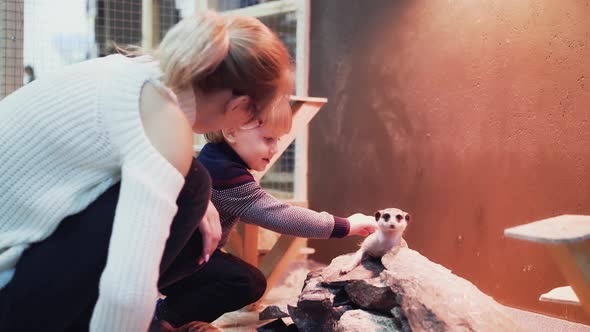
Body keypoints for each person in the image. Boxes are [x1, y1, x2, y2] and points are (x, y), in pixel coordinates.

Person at [0, 10, 292, 332]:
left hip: (20, 249)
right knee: (192, 186)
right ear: (237, 107)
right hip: (9, 294)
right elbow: (125, 290)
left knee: (193, 183)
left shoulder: (136, 73)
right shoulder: (164, 120)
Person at [153, 96, 377, 326]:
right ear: (231, 132)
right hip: (175, 263)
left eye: (277, 139)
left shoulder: (214, 157)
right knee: (247, 282)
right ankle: (167, 317)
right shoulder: (227, 176)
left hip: (172, 257)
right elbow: (280, 216)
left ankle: (168, 311)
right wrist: (346, 225)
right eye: (268, 139)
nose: (275, 148)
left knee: (232, 271)